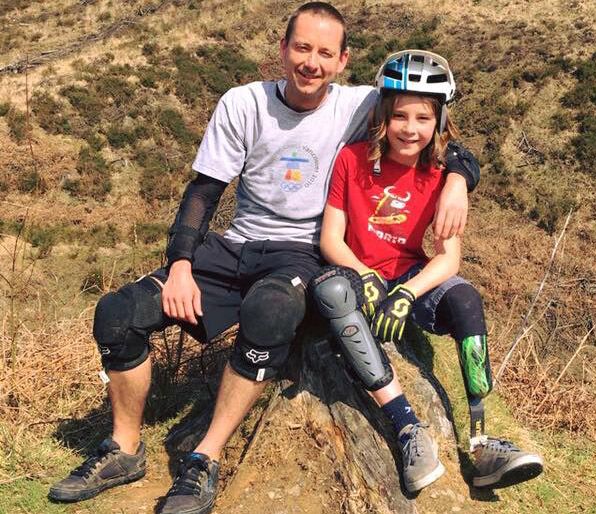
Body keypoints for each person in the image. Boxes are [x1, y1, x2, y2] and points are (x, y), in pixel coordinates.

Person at [48, 4, 480, 514]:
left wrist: (458, 180)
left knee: (270, 312)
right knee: (117, 315)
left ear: (343, 61)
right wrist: (181, 264)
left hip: (301, 253)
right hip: (236, 244)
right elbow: (203, 191)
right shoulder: (243, 103)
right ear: (283, 48)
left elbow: (432, 128)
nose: (312, 63)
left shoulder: (361, 105)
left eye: (325, 53)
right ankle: (123, 448)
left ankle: (205, 458)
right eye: (302, 48)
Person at [310, 49, 544, 492]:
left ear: (439, 121)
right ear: (382, 115)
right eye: (400, 115)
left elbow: (448, 258)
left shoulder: (441, 175)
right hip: (357, 273)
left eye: (423, 118)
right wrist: (365, 275)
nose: (410, 128)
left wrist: (407, 293)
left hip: (407, 275)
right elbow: (331, 239)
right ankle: (407, 428)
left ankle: (481, 444)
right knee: (334, 293)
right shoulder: (352, 160)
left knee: (465, 300)